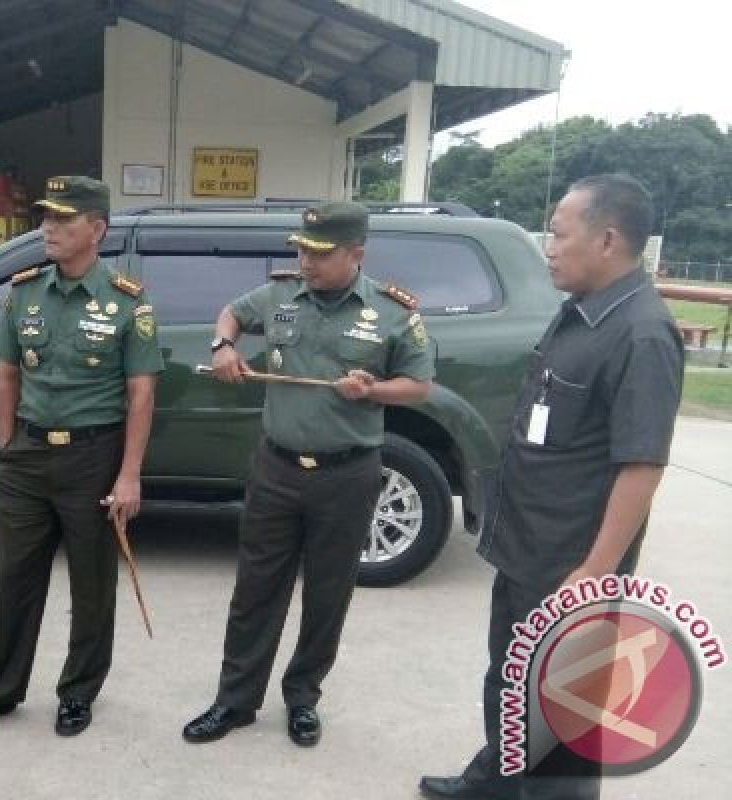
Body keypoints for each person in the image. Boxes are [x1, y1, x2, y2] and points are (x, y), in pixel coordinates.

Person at [419, 174, 684, 799]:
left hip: (570, 564)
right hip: (526, 548)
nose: (549, 248)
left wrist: (595, 570)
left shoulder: (642, 333)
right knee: (510, 679)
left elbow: (641, 466)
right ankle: (497, 780)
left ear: (608, 239)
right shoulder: (581, 314)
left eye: (560, 235)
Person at [182, 202, 434, 747]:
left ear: (356, 254)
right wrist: (223, 345)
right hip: (277, 468)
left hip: (348, 475)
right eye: (302, 249)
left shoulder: (392, 312)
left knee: (327, 593)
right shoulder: (278, 295)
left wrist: (374, 389)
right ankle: (235, 701)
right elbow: (230, 313)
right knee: (256, 591)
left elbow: (418, 385)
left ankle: (303, 698)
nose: (307, 260)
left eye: (320, 253)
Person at [0, 175, 163, 739]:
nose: (47, 228)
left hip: (93, 459)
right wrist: (8, 447)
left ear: (95, 229)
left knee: (92, 585)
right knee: (14, 580)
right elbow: (6, 377)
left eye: (62, 220)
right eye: (46, 218)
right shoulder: (23, 292)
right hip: (27, 456)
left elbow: (141, 394)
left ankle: (78, 692)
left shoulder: (128, 302)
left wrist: (129, 475)